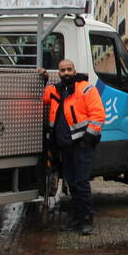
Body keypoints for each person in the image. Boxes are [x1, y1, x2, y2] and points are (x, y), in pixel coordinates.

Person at [40, 59, 105, 236]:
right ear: (59, 73)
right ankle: (77, 219)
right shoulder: (57, 90)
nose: (66, 73)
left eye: (69, 69)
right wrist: (44, 78)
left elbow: (98, 115)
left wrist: (87, 139)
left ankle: (86, 220)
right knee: (73, 184)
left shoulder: (86, 89)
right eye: (62, 70)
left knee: (81, 183)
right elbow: (45, 97)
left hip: (82, 146)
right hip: (65, 147)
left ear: (74, 71)